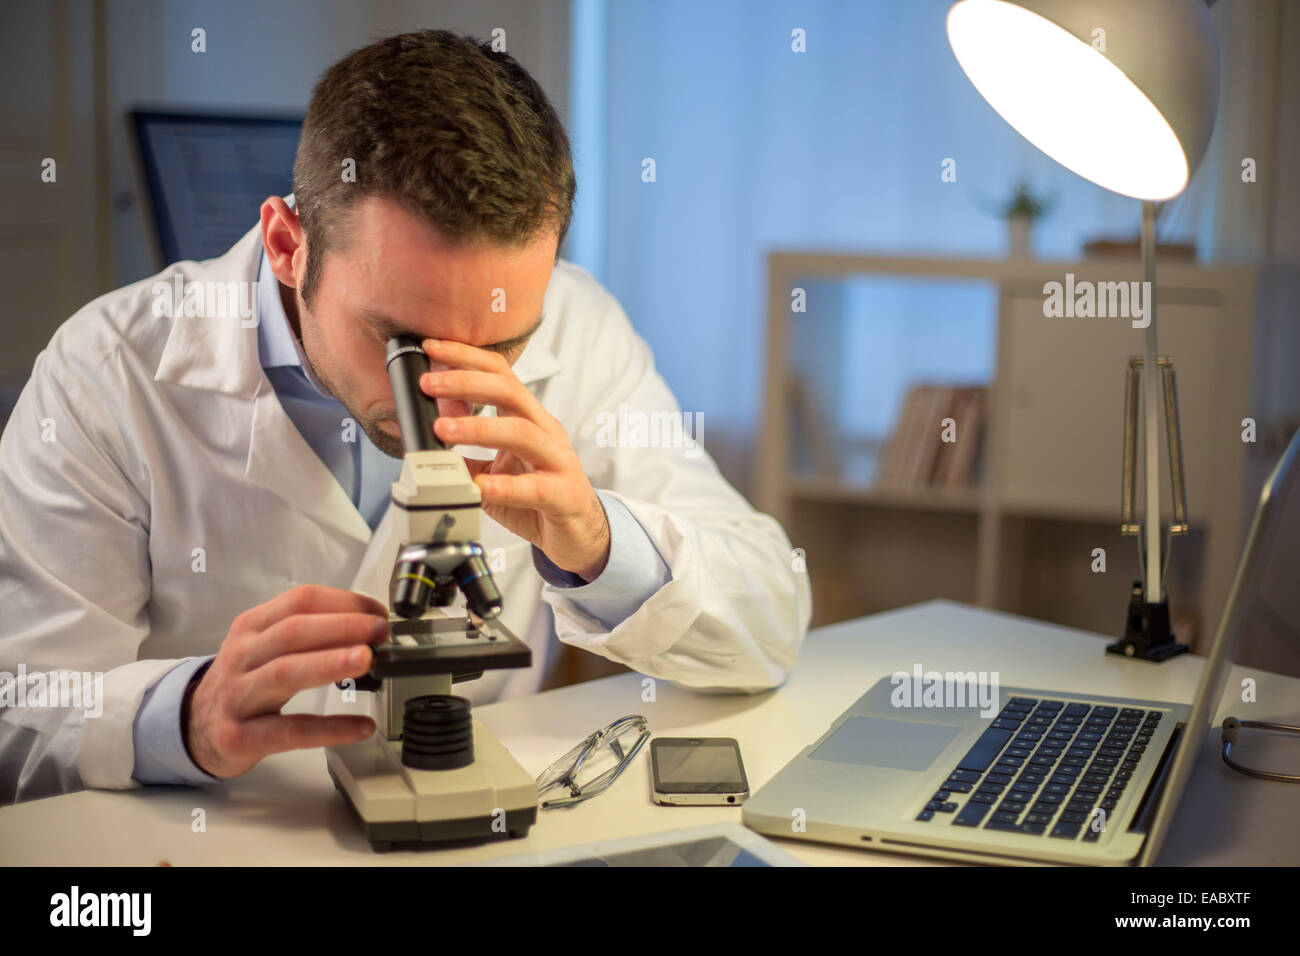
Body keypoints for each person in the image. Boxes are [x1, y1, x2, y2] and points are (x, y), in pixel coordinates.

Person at [0, 30, 810, 804]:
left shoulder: (582, 327)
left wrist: (599, 541)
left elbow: (772, 618)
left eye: (505, 342)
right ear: (288, 243)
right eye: (404, 342)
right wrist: (187, 715)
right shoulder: (106, 374)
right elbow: (21, 720)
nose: (446, 396)